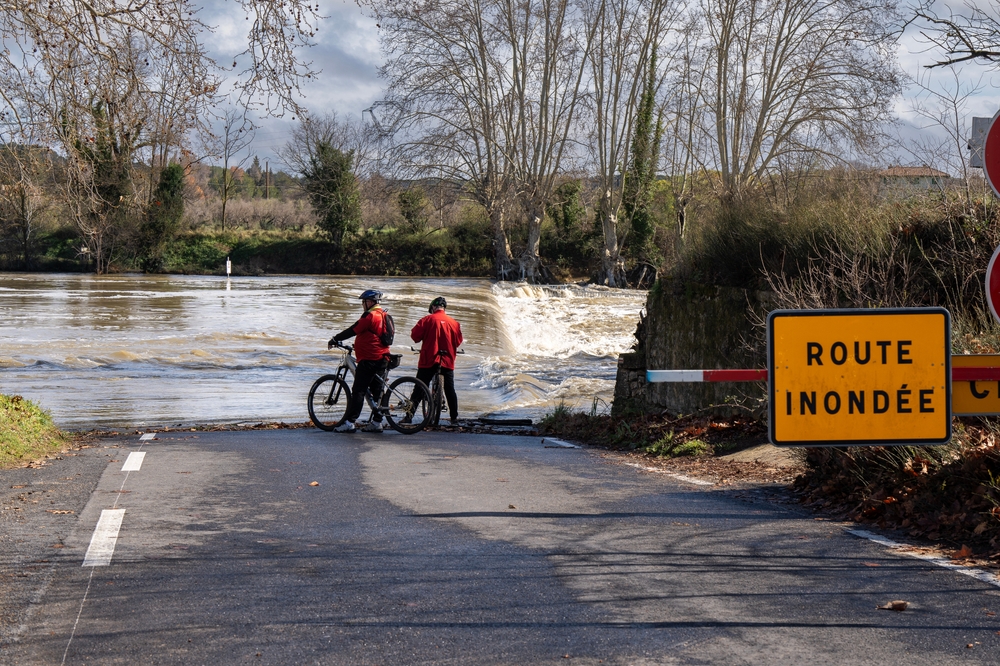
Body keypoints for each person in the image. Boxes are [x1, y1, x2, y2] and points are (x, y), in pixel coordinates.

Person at [328, 289, 391, 433]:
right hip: (383, 357)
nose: (363, 305)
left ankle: (350, 423)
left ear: (369, 302)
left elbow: (354, 329)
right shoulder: (383, 314)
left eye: (363, 302)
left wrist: (335, 339)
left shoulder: (370, 316)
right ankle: (376, 423)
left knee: (358, 391)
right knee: (376, 391)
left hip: (370, 358)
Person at [410, 296, 463, 424]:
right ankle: (454, 418)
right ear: (444, 308)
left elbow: (415, 336)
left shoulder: (427, 320)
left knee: (419, 387)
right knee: (450, 389)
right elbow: (458, 341)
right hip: (447, 360)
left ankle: (408, 416)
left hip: (429, 359)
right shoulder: (454, 323)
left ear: (433, 307)